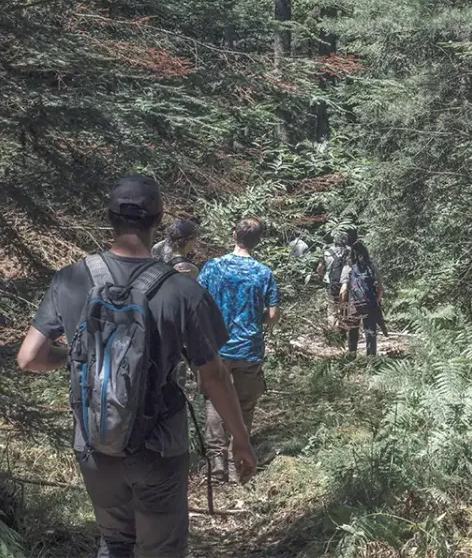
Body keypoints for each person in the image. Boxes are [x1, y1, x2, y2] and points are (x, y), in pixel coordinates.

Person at [16, 174, 256, 558]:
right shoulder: (183, 290)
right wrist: (240, 441)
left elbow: (29, 358)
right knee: (161, 549)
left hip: (95, 443)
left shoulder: (72, 279)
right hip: (160, 447)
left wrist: (77, 359)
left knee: (114, 542)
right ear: (158, 220)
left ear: (109, 218)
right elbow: (214, 376)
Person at [198, 217, 280, 483]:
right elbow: (273, 314)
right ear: (257, 241)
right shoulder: (263, 273)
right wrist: (256, 318)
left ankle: (216, 464)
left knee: (214, 401)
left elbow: (197, 303)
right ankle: (238, 466)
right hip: (249, 348)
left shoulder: (212, 267)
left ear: (234, 235)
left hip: (217, 347)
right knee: (244, 404)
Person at [339, 239, 384, 356]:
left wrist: (343, 308)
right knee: (370, 331)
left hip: (354, 304)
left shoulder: (348, 268)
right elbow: (380, 288)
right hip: (370, 303)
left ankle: (352, 355)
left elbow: (343, 291)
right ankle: (371, 358)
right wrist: (376, 301)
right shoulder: (372, 267)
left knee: (353, 329)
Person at [316, 231, 350, 330]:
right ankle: (342, 330)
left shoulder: (327, 252)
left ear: (334, 241)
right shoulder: (351, 251)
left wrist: (321, 277)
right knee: (344, 307)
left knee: (331, 309)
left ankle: (332, 332)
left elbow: (319, 269)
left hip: (330, 283)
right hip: (346, 284)